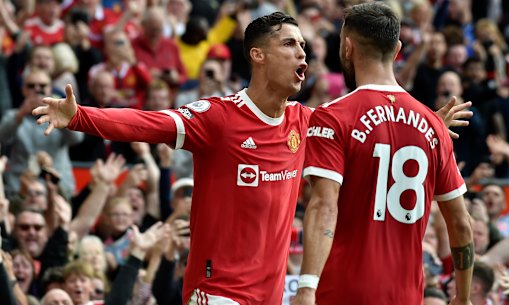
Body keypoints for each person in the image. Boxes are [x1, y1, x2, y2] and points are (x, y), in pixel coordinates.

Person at [33, 10, 470, 305]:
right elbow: (147, 122)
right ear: (257, 56)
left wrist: (426, 122)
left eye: (303, 45)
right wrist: (79, 117)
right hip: (217, 292)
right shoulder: (219, 118)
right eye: (289, 45)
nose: (303, 53)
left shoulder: (308, 121)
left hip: (271, 295)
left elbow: (363, 129)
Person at [292, 3, 473, 305]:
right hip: (405, 295)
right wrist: (463, 298)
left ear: (348, 47)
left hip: (343, 291)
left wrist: (307, 287)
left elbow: (324, 205)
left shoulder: (334, 116)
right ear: (398, 48)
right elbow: (461, 224)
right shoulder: (433, 126)